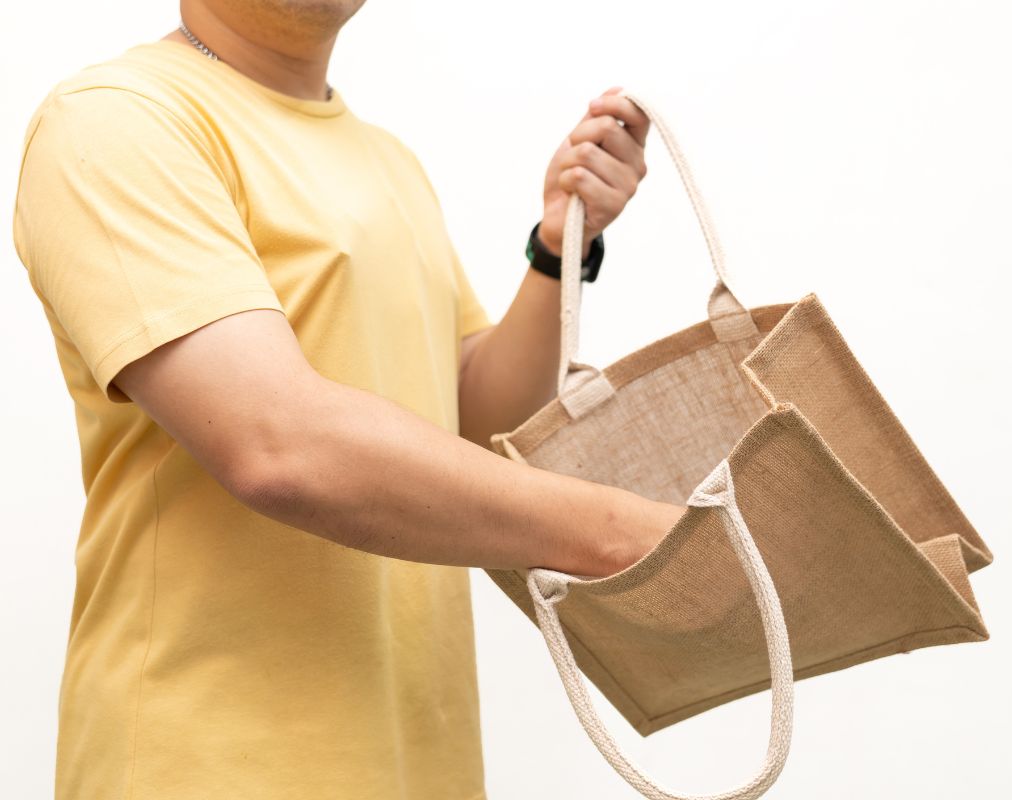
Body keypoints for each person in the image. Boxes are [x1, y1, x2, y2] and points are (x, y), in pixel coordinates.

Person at [12, 1, 684, 797]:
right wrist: (630, 536)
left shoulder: (388, 161)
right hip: (207, 766)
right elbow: (278, 444)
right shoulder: (116, 122)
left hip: (419, 764)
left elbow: (473, 427)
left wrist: (556, 247)